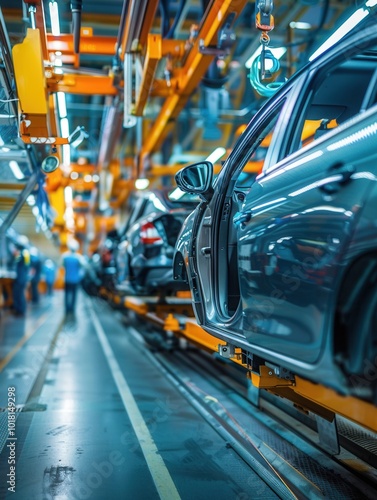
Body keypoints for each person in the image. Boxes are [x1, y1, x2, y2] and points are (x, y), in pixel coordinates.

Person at [62, 239, 83, 316]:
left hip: (67, 279)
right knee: (74, 295)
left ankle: (67, 309)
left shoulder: (65, 256)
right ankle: (72, 309)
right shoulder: (78, 258)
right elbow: (83, 266)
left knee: (67, 294)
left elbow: (62, 265)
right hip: (75, 280)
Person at [12, 235, 30, 317]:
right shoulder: (26, 252)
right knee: (20, 294)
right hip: (23, 277)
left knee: (18, 294)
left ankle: (20, 310)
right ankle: (20, 310)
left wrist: (15, 254)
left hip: (20, 277)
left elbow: (18, 261)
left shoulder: (23, 252)